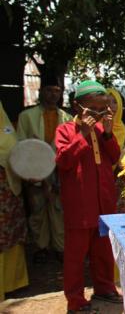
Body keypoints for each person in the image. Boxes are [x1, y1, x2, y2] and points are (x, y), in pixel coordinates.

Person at [55, 81, 123, 313]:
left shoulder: (102, 130)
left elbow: (115, 158)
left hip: (104, 200)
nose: (99, 114)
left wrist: (108, 133)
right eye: (93, 109)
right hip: (79, 203)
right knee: (75, 255)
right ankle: (75, 300)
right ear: (77, 107)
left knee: (102, 249)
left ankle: (104, 288)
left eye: (103, 109)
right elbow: (64, 162)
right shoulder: (65, 130)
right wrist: (83, 132)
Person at [16, 83, 71, 263]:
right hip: (34, 169)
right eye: (49, 90)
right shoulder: (26, 116)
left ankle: (60, 247)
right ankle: (41, 247)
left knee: (59, 209)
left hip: (59, 169)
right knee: (37, 210)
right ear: (41, 92)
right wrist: (25, 172)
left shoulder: (67, 118)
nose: (53, 94)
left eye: (57, 91)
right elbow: (20, 146)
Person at [0, 101, 28, 301]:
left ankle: (12, 282)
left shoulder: (7, 129)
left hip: (8, 193)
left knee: (10, 234)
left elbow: (19, 155)